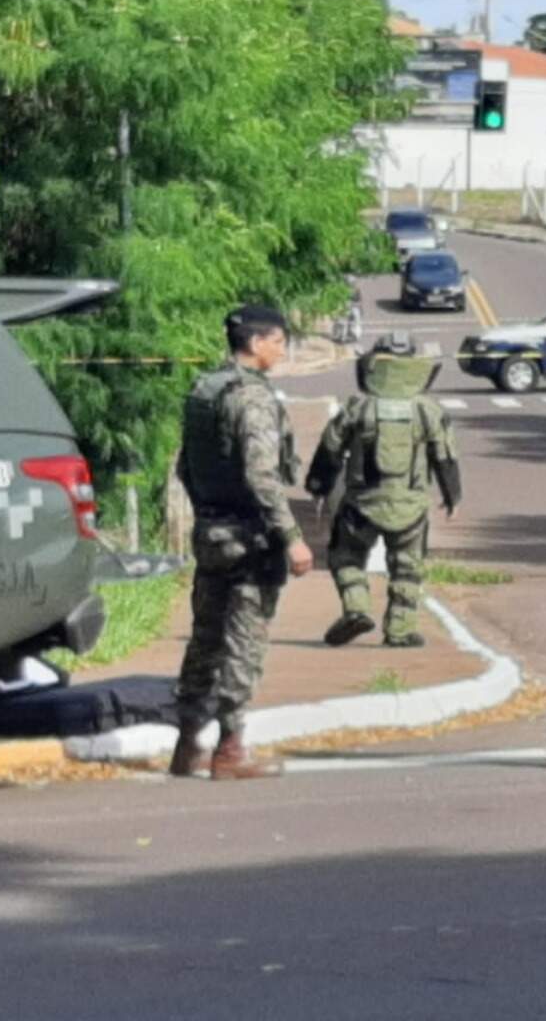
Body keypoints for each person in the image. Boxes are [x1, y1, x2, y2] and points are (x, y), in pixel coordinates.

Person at [170, 305, 315, 780]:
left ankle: (187, 742)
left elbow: (185, 467)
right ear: (255, 344)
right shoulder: (252, 399)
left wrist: (208, 509)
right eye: (277, 341)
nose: (281, 350)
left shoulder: (204, 391)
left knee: (205, 636)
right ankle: (231, 748)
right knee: (243, 641)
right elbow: (261, 474)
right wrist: (291, 536)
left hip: (210, 531)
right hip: (251, 538)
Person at [305, 333, 462, 649]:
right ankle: (400, 631)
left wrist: (318, 486)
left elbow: (330, 448)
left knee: (345, 557)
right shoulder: (427, 411)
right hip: (411, 508)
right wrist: (452, 496)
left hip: (361, 507)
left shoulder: (358, 408)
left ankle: (356, 607)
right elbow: (445, 457)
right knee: (408, 567)